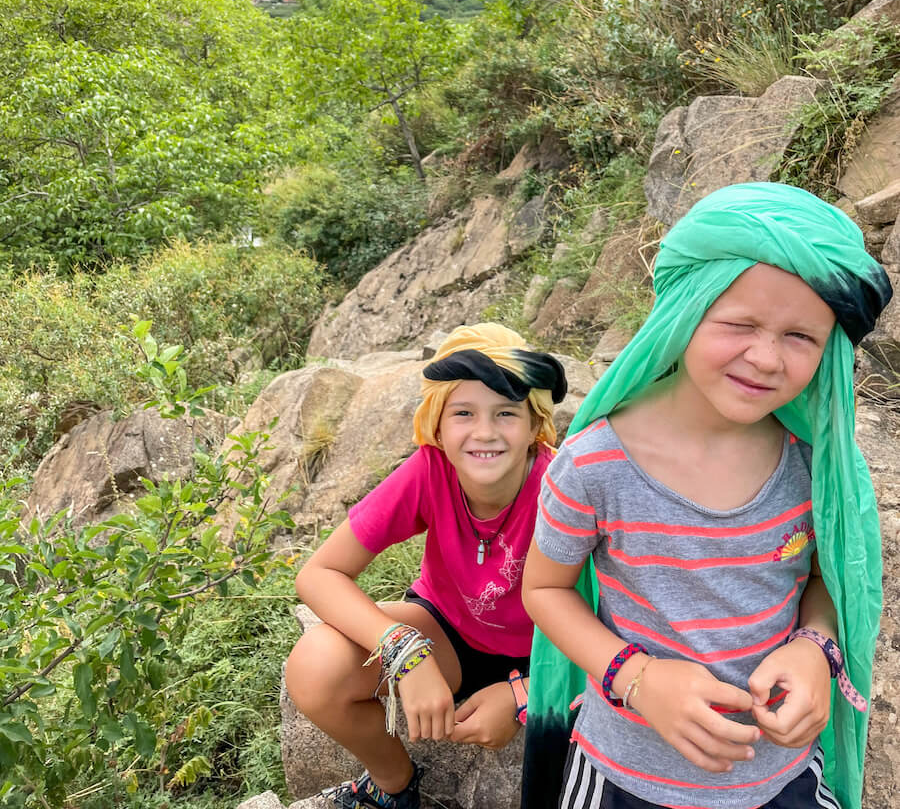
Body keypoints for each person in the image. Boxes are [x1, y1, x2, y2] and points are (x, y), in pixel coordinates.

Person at [521, 182, 891, 809]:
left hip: (782, 777)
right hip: (624, 780)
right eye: (739, 323)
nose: (767, 357)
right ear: (684, 310)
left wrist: (816, 645)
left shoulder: (815, 466)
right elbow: (545, 589)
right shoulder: (595, 466)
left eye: (802, 337)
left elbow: (825, 578)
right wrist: (637, 679)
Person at [285, 322, 567, 809]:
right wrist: (404, 651)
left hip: (551, 650)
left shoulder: (563, 488)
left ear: (534, 427)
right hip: (446, 634)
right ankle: (393, 785)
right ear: (436, 424)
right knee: (315, 667)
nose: (485, 432)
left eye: (506, 412)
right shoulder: (430, 471)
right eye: (463, 412)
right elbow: (318, 574)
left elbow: (618, 620)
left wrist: (525, 696)